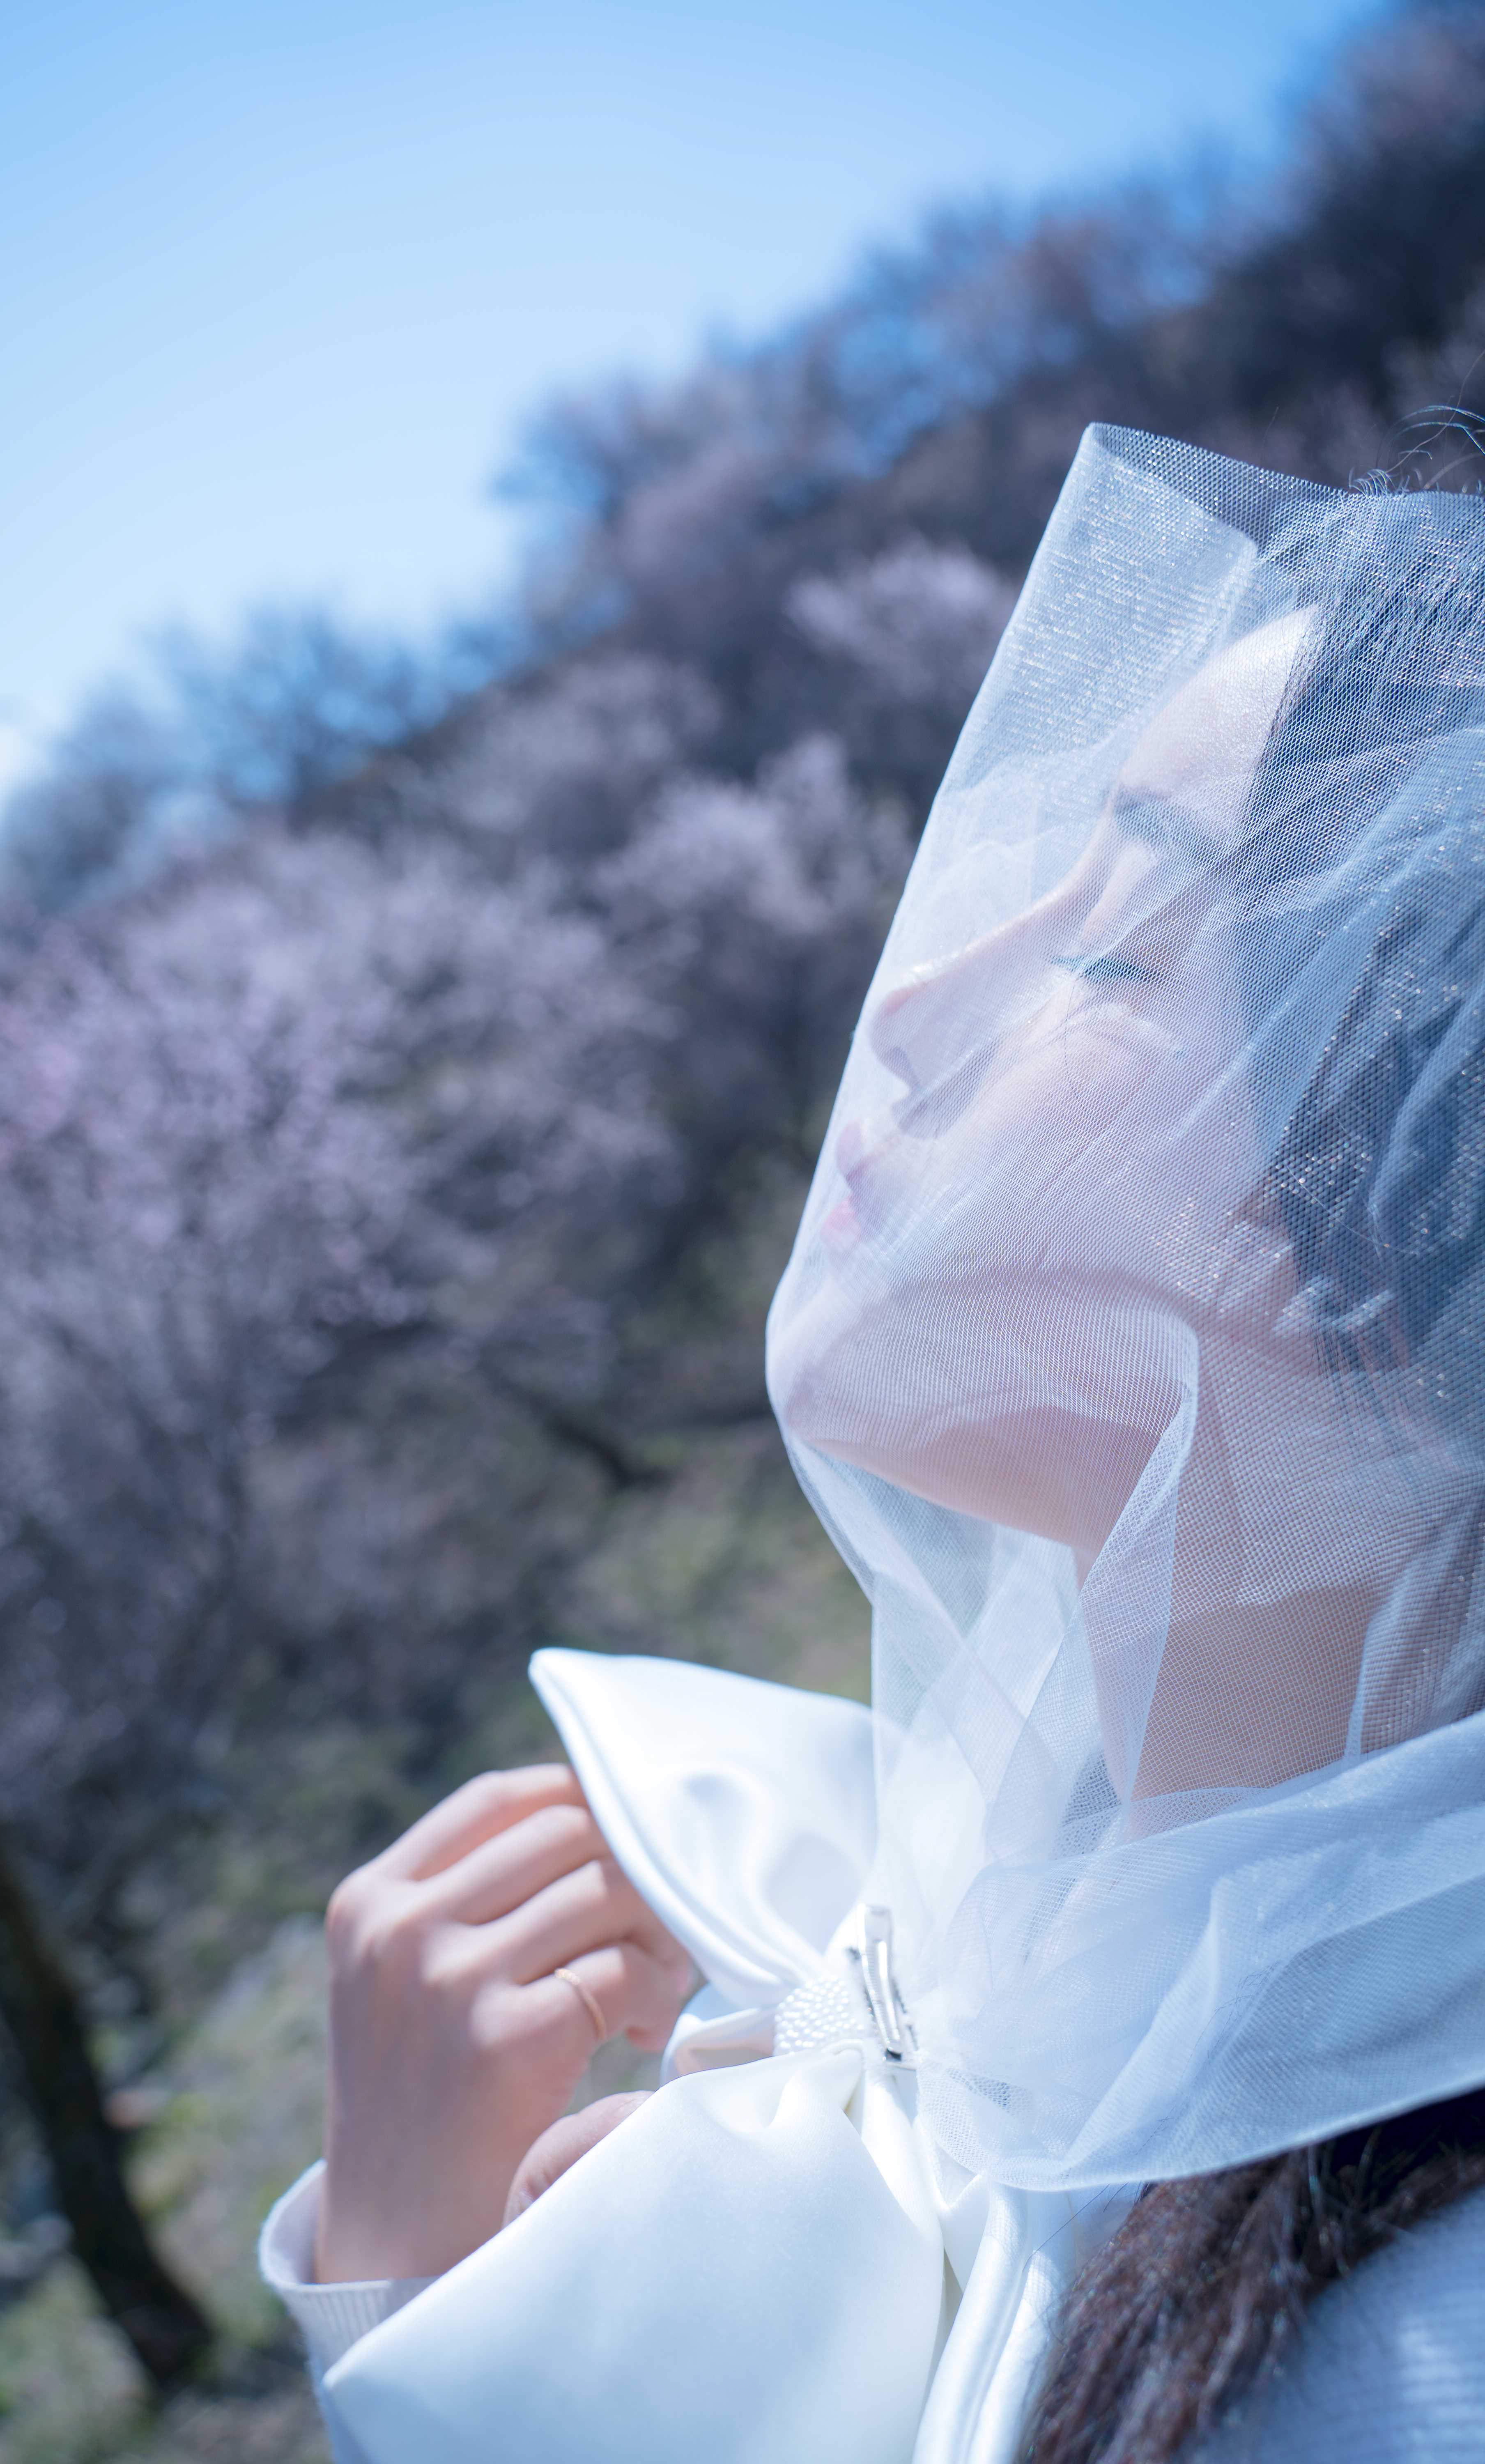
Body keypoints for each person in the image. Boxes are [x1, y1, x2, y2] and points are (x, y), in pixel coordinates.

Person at [260, 427, 1485, 2462]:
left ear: (1393, 1203)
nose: (916, 1000)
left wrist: (420, 2312)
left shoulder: (1417, 2369)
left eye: (1105, 944)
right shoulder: (1048, 1939)